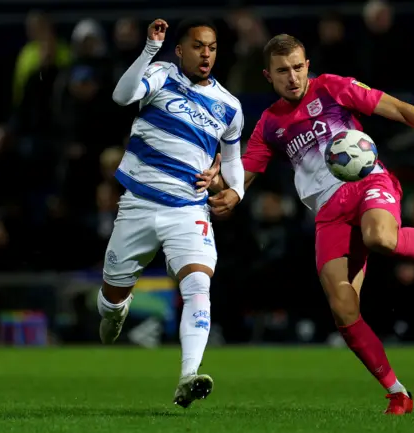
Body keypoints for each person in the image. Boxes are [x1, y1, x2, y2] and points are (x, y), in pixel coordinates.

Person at [203, 34, 414, 415]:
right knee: (343, 309)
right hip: (328, 212)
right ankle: (398, 392)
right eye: (283, 71)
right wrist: (224, 189)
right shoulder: (270, 124)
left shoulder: (334, 88)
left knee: (381, 238)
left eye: (299, 67)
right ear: (268, 76)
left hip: (368, 184)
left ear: (307, 65)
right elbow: (244, 177)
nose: (293, 77)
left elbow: (400, 110)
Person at [101, 18, 245, 409]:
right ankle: (114, 311)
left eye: (212, 47)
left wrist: (236, 191)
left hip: (189, 209)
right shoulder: (161, 75)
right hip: (139, 204)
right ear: (180, 50)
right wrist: (150, 49)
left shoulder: (230, 106)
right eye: (198, 46)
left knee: (198, 285)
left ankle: (188, 376)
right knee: (111, 297)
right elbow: (121, 96)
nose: (206, 54)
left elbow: (232, 160)